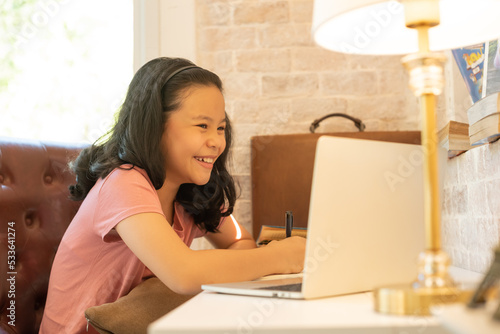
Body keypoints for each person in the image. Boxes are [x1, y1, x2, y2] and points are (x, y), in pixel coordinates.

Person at [39, 57, 306, 333]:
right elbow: (183, 273)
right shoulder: (123, 183)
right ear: (154, 126)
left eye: (221, 127)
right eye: (202, 126)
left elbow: (240, 241)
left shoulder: (191, 191)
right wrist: (280, 256)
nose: (216, 141)